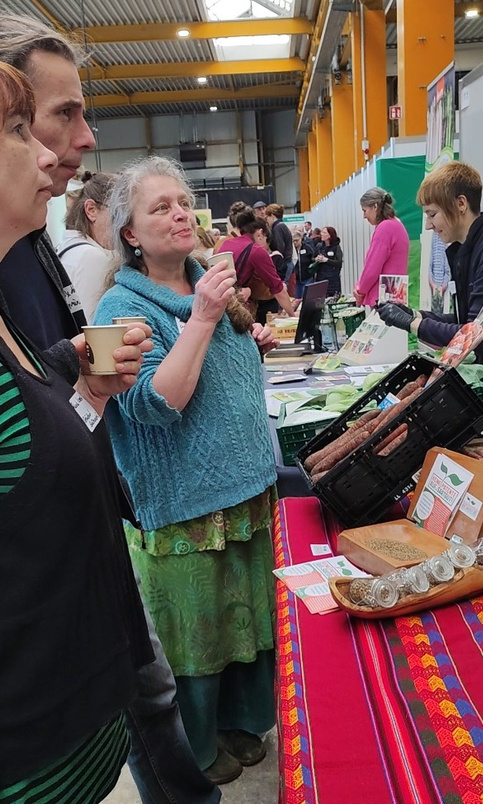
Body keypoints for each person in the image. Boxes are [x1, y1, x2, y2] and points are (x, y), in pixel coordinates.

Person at [0, 14, 221, 804]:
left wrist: (79, 380)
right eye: (44, 120)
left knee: (158, 699)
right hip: (42, 720)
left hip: (85, 640)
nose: (80, 141)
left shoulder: (29, 254)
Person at [94, 155, 278, 786]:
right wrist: (200, 319)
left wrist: (244, 335)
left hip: (248, 487)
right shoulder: (121, 305)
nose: (177, 213)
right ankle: (197, 746)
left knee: (248, 620)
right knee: (198, 636)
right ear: (130, 234)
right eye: (158, 207)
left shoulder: (208, 277)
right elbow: (152, 404)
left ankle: (241, 723)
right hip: (184, 503)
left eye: (181, 202)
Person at [0, 59, 155, 802]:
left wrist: (70, 366)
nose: (54, 152)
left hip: (81, 734)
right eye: (17, 128)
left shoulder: (17, 278)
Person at [378, 160, 483, 405]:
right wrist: (416, 315)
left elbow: (475, 336)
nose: (428, 225)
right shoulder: (466, 250)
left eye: (432, 214)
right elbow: (464, 319)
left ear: (461, 204)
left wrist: (414, 324)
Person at [57, 171, 115, 321]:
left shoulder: (66, 250)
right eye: (118, 212)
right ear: (91, 210)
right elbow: (91, 328)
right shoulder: (91, 258)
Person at [222, 204, 295, 322]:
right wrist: (292, 315)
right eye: (267, 239)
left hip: (222, 307)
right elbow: (277, 288)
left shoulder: (226, 243)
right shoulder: (256, 251)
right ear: (260, 233)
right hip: (236, 310)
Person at [354, 187, 409, 308]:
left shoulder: (385, 228)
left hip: (383, 299)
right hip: (395, 295)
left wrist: (360, 290)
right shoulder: (396, 224)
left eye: (364, 210)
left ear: (375, 206)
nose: (364, 216)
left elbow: (372, 268)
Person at [265, 203, 294, 281]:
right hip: (287, 262)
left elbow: (280, 247)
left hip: (284, 264)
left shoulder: (278, 228)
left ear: (272, 216)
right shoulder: (282, 226)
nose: (266, 220)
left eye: (267, 217)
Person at [313, 226, 343, 298]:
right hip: (320, 278)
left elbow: (339, 262)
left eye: (324, 232)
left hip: (333, 280)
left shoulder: (336, 247)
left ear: (330, 235)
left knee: (333, 298)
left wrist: (327, 260)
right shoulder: (319, 246)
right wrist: (316, 259)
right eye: (321, 232)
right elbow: (312, 258)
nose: (321, 234)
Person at [293, 229, 315, 299]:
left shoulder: (307, 248)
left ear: (301, 239)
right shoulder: (291, 250)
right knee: (297, 298)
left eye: (297, 240)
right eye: (293, 241)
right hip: (296, 279)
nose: (295, 242)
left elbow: (313, 259)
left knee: (307, 297)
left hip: (307, 277)